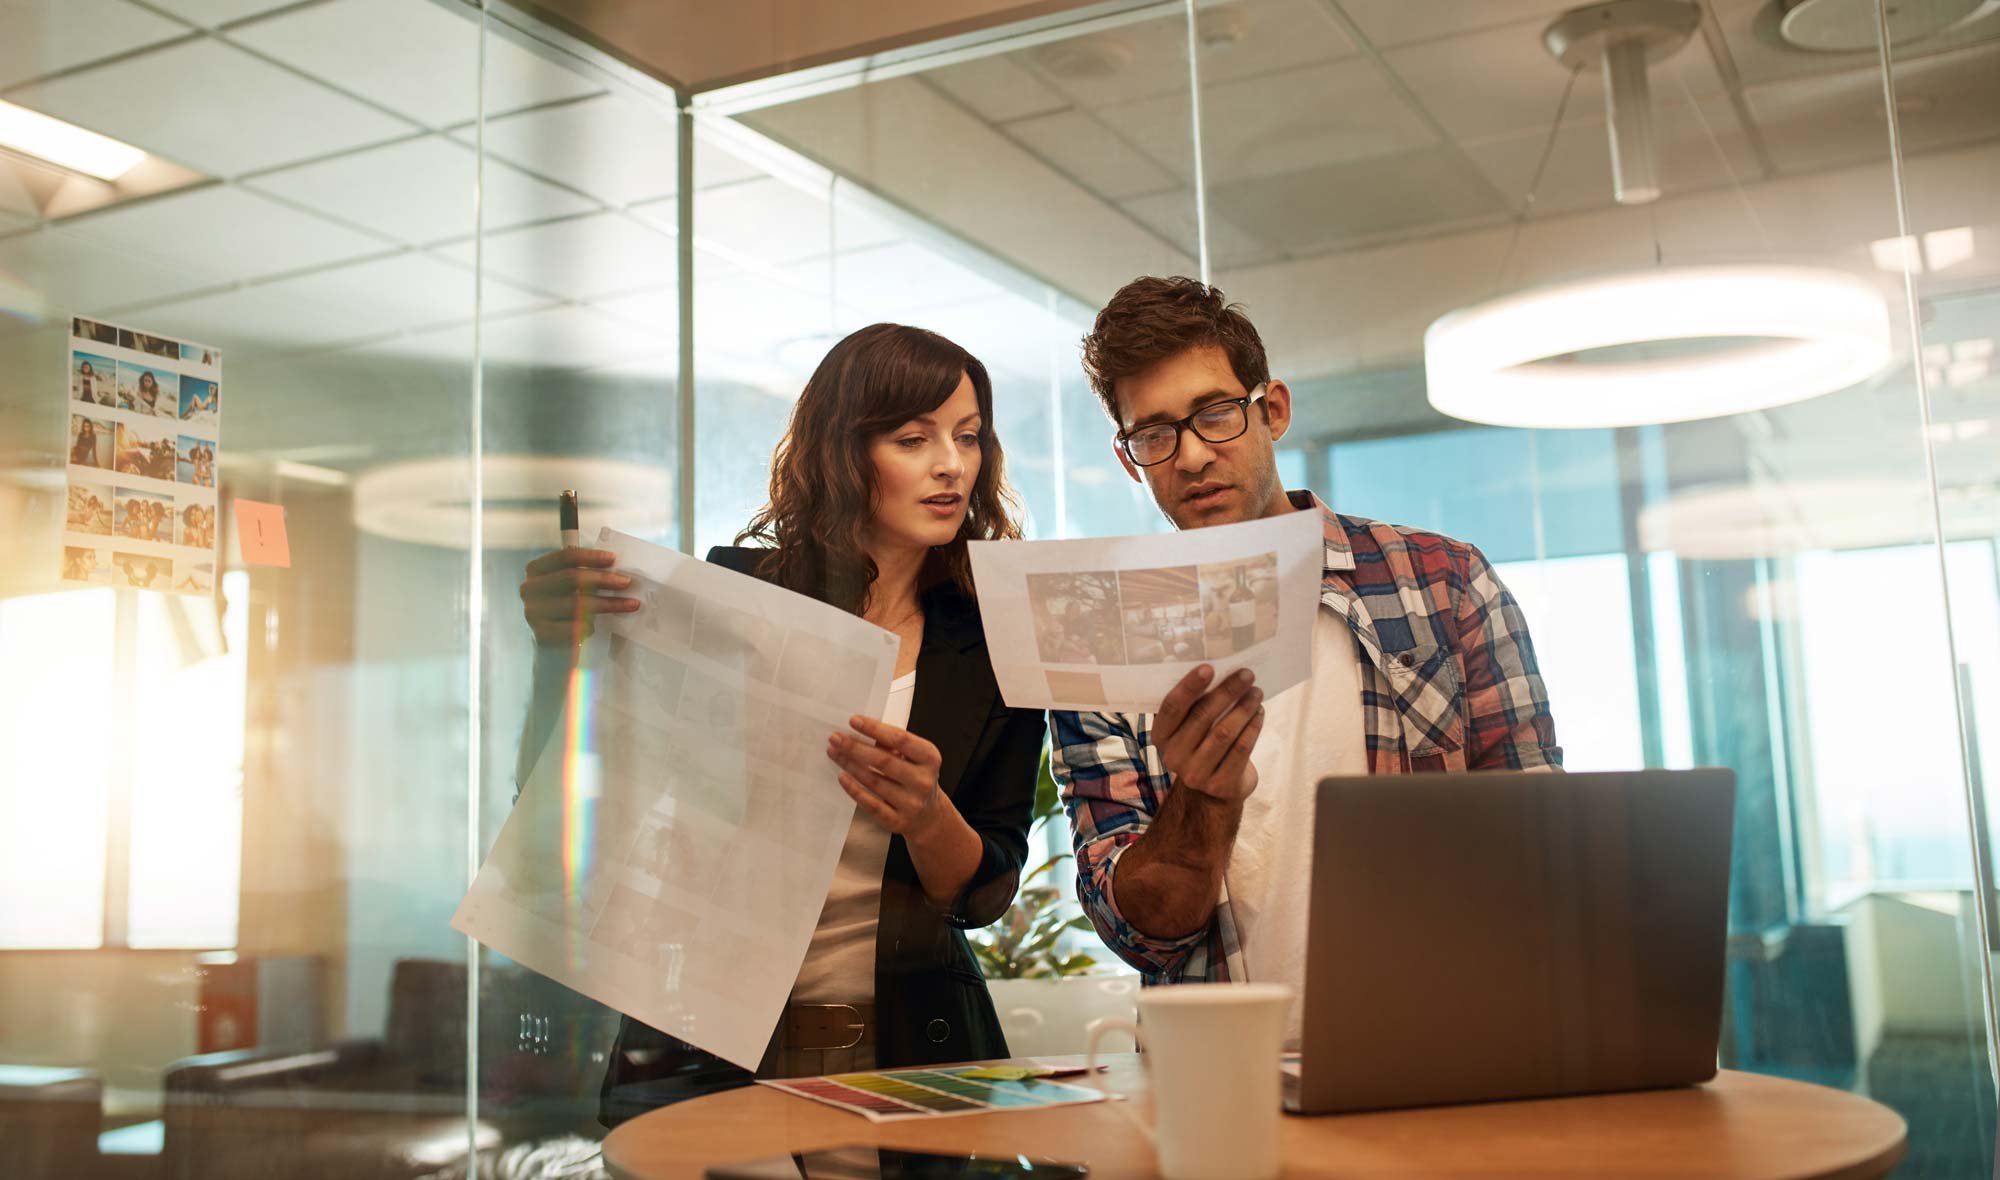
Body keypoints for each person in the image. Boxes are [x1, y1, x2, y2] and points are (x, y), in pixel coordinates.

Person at [516, 323, 1043, 1126]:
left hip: (914, 1046)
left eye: (968, 437)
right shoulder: (729, 595)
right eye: (913, 438)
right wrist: (561, 653)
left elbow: (985, 891)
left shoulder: (996, 637)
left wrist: (929, 814)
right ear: (844, 450)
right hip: (705, 1042)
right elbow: (577, 807)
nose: (951, 464)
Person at [1051, 277, 1562, 1045]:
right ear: (1131, 460)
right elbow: (1140, 932)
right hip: (1216, 1076)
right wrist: (1202, 797)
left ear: (1274, 410)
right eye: (1153, 435)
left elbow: (1541, 837)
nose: (1190, 456)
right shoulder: (1098, 630)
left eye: (1215, 414)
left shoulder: (1443, 580)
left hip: (1435, 1044)